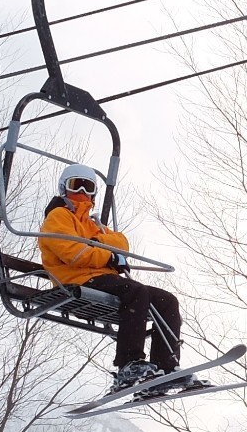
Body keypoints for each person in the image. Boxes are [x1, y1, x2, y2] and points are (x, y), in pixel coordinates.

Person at [38, 164, 185, 393]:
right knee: (134, 291)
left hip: (101, 278)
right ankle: (129, 365)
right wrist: (109, 256)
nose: (84, 193)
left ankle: (165, 367)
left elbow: (123, 244)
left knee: (166, 300)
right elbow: (74, 253)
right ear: (64, 188)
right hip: (75, 280)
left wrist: (102, 244)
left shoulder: (93, 223)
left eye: (89, 187)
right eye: (77, 185)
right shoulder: (58, 217)